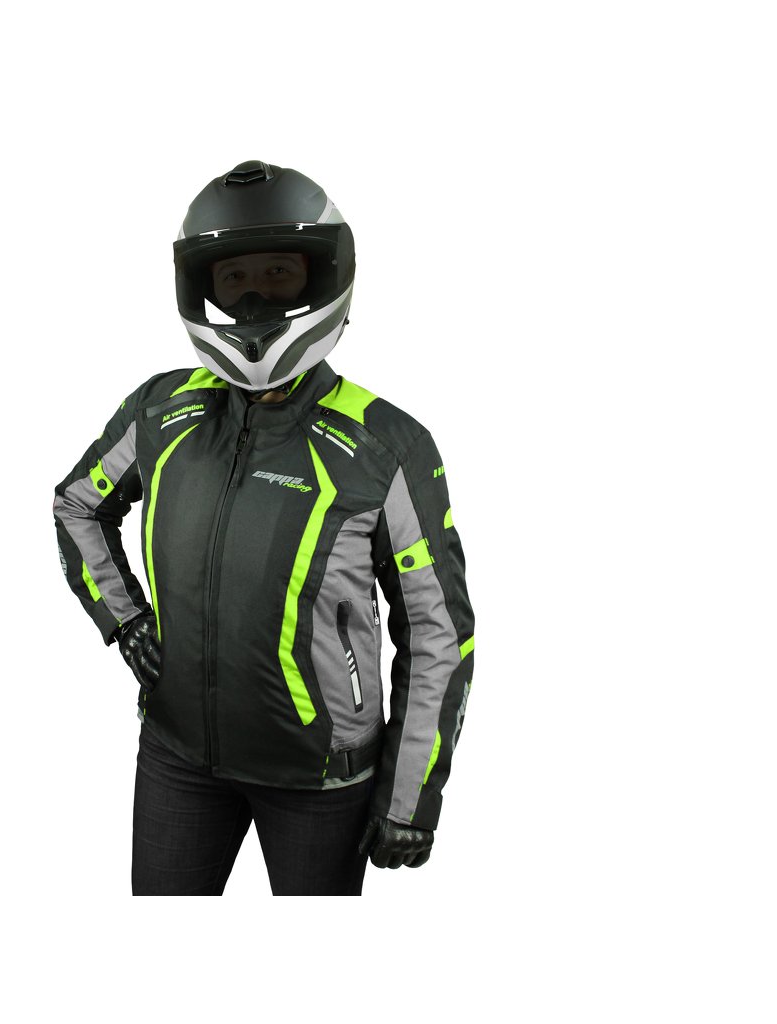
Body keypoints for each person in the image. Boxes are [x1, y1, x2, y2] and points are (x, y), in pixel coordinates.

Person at [52, 160, 475, 896]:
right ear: (205, 286)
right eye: (235, 278)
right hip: (178, 756)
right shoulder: (161, 411)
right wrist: (125, 621)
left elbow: (436, 627)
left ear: (322, 276)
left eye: (279, 273)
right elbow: (77, 504)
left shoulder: (386, 445)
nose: (254, 297)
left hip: (321, 779)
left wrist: (410, 797)